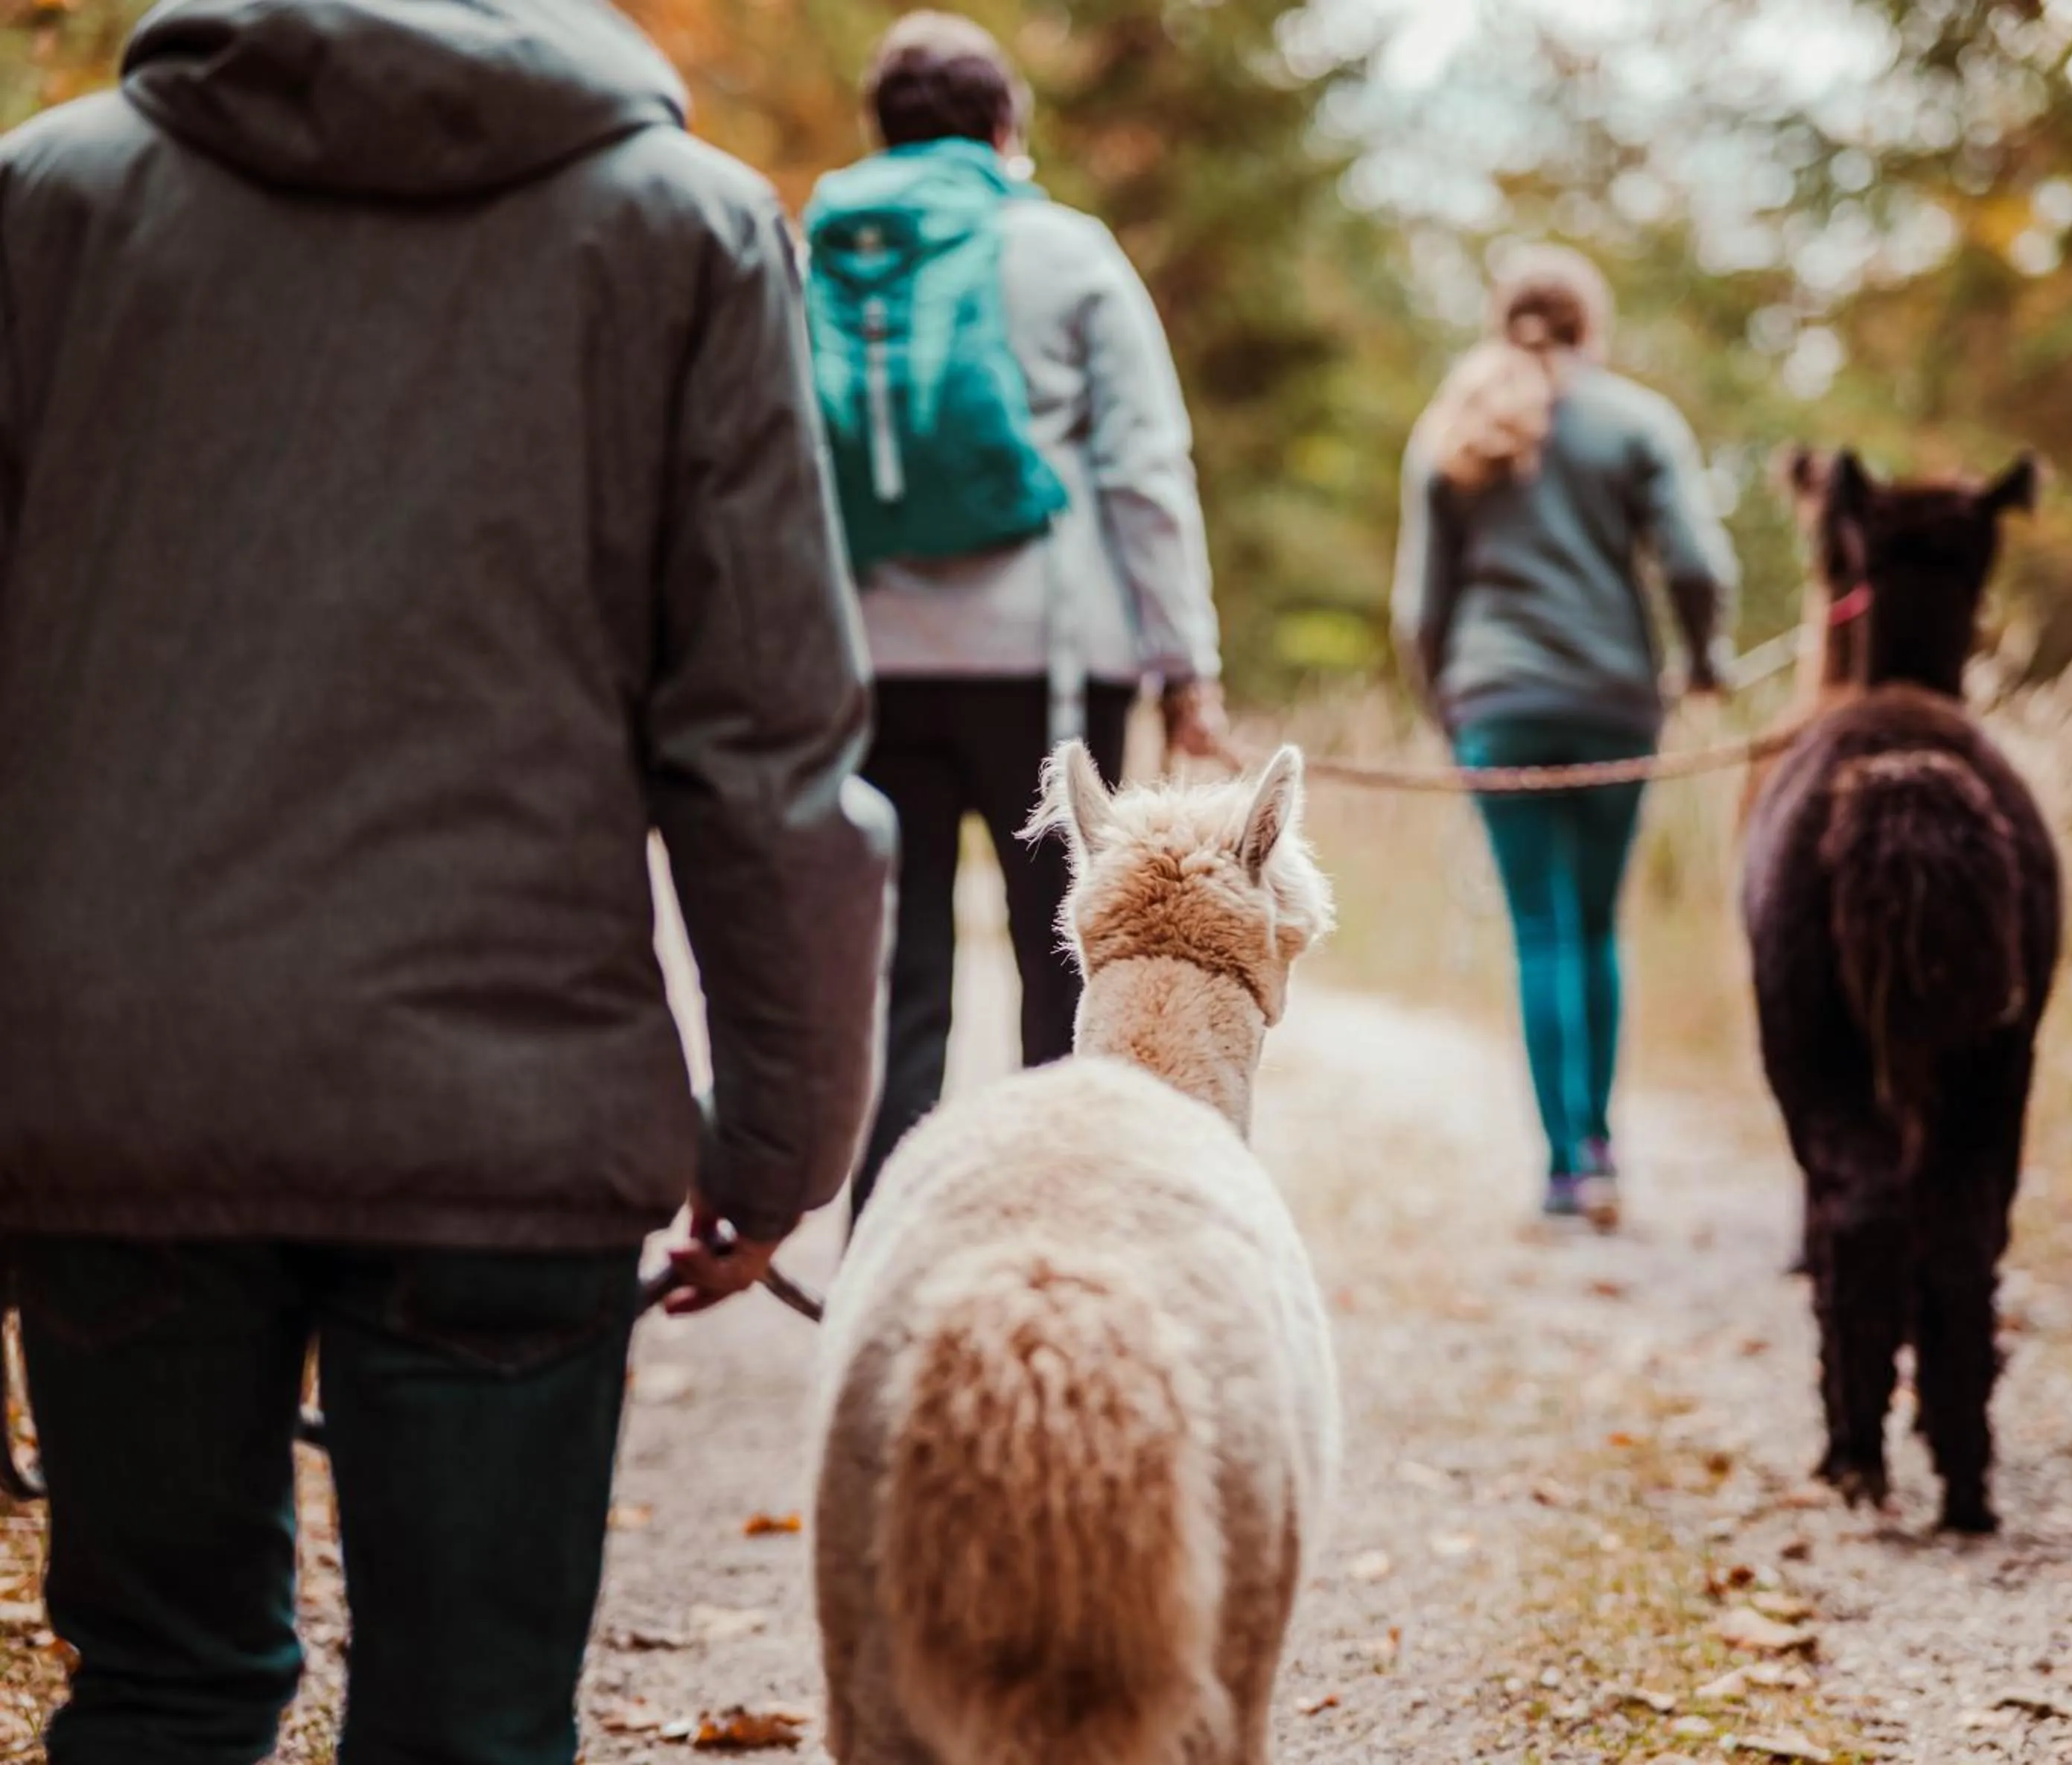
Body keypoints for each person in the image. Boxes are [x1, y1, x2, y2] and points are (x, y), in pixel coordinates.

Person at [0, 4, 892, 1762]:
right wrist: (781, 1146)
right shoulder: (686, 226)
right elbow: (767, 747)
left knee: (163, 1692)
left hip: (117, 1096)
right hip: (508, 1118)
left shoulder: (50, 200)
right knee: (473, 1724)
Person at [807, 12, 1227, 1222]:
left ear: (880, 132)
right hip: (1050, 675)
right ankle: (1060, 1233)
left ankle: (888, 1246)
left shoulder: (819, 255)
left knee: (903, 981)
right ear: (1006, 130)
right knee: (1067, 968)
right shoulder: (1067, 250)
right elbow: (1147, 468)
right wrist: (1184, 666)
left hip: (871, 669)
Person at [1392, 244, 1735, 1231]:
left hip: (1497, 705)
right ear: (1593, 326)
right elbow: (1699, 563)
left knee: (1538, 929)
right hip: (1614, 703)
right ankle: (1598, 1143)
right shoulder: (1636, 421)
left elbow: (1419, 609)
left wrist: (1444, 708)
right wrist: (1706, 660)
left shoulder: (1452, 429)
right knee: (1593, 925)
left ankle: (1559, 1167)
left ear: (1504, 322)